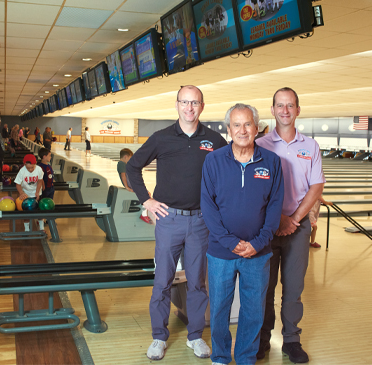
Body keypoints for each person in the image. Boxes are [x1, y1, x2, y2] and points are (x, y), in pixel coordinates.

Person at [126, 85, 227, 361]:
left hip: (200, 222)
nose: (189, 107)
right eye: (185, 102)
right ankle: (158, 337)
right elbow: (132, 167)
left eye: (194, 102)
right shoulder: (161, 138)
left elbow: (228, 174)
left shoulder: (216, 140)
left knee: (197, 282)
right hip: (168, 219)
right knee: (163, 281)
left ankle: (195, 336)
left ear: (202, 106)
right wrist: (146, 199)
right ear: (177, 105)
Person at [201, 104, 284, 365]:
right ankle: (221, 357)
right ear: (228, 130)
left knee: (253, 312)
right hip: (220, 252)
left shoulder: (271, 162)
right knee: (219, 311)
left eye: (247, 124)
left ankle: (246, 358)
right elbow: (208, 206)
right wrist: (230, 242)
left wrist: (258, 243)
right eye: (236, 125)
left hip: (258, 254)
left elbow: (275, 206)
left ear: (256, 128)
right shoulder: (213, 160)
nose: (242, 130)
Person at [256, 87, 325, 363]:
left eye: (290, 105)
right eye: (280, 105)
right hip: (266, 229)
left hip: (298, 229)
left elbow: (316, 185)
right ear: (272, 110)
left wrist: (294, 219)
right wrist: (277, 220)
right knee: (264, 287)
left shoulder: (311, 146)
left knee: (293, 290)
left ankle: (291, 341)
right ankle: (262, 340)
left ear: (298, 110)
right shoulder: (260, 145)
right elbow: (254, 189)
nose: (285, 110)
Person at [117, 148, 152, 224]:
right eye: (130, 158)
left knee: (147, 194)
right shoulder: (121, 163)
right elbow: (123, 175)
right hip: (132, 184)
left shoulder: (122, 164)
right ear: (126, 157)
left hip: (132, 183)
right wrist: (127, 187)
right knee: (145, 195)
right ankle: (144, 215)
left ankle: (144, 213)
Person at [14, 154, 44, 231]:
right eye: (28, 168)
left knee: (40, 211)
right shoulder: (22, 171)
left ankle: (41, 227)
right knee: (26, 213)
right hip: (26, 194)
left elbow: (40, 181)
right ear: (24, 165)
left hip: (36, 193)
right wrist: (21, 193)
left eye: (32, 167)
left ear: (35, 164)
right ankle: (27, 229)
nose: (30, 170)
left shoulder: (39, 169)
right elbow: (17, 184)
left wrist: (37, 192)